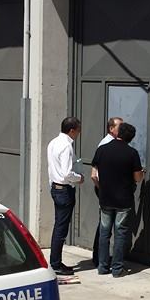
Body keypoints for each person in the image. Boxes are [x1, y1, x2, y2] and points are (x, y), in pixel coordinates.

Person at [91, 123, 144, 277]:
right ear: (131, 138)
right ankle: (117, 269)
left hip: (105, 199)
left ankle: (102, 267)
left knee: (104, 233)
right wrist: (141, 173)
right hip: (123, 200)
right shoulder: (132, 153)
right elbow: (137, 178)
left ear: (118, 133)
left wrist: (102, 188)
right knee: (120, 233)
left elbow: (93, 175)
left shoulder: (102, 149)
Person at [46, 116, 84, 275]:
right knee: (61, 228)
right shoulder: (66, 146)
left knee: (59, 226)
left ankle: (55, 261)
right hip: (64, 190)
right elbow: (67, 173)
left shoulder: (53, 142)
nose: (79, 134)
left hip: (56, 187)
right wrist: (79, 178)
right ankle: (55, 263)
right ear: (72, 130)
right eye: (78, 130)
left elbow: (51, 168)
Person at [92, 116, 123, 265]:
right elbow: (95, 174)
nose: (122, 129)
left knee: (105, 225)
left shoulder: (113, 143)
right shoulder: (105, 144)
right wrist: (102, 189)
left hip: (106, 189)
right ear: (111, 129)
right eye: (119, 127)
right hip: (105, 189)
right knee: (105, 226)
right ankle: (99, 258)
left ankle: (100, 258)